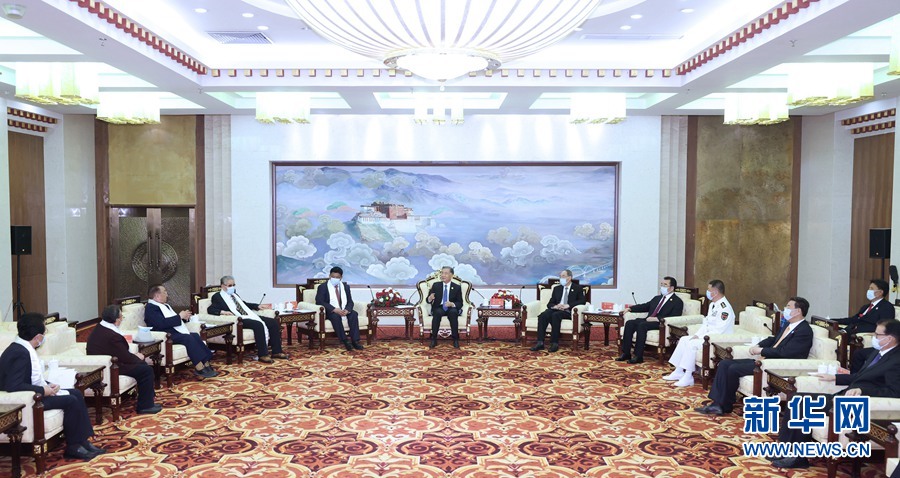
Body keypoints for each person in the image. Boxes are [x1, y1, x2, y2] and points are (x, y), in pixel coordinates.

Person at [772, 319, 900, 469]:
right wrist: (835, 377)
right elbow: (861, 376)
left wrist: (863, 391)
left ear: (889, 338)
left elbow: (894, 391)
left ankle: (797, 457)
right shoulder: (878, 352)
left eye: (877, 335)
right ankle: (785, 450)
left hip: (856, 404)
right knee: (796, 399)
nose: (873, 337)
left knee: (801, 403)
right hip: (843, 396)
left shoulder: (896, 361)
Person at [0, 313, 106, 460]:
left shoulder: (23, 348)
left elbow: (30, 377)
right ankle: (73, 447)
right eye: (44, 333)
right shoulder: (19, 353)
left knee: (75, 393)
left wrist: (49, 384)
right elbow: (14, 385)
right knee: (71, 401)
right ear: (38, 337)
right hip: (29, 400)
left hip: (34, 393)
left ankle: (82, 441)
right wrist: (43, 390)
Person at [696, 297, 814, 416]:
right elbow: (774, 339)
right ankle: (718, 403)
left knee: (733, 369)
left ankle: (724, 404)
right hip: (765, 360)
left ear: (798, 311)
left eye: (788, 307)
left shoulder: (804, 331)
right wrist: (758, 345)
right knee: (724, 363)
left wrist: (762, 350)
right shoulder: (788, 324)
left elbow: (785, 352)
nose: (785, 309)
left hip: (774, 364)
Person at [86, 305, 162, 414]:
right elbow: (125, 357)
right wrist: (138, 357)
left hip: (110, 362)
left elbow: (120, 353)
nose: (122, 319)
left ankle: (148, 400)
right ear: (117, 320)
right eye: (121, 317)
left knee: (143, 365)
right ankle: (145, 406)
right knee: (146, 370)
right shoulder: (112, 336)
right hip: (110, 367)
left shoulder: (101, 327)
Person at [664, 279, 735, 387]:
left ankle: (688, 376)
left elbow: (719, 330)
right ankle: (679, 371)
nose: (707, 292)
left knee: (691, 344)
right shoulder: (713, 305)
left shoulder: (725, 308)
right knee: (684, 339)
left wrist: (700, 337)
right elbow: (706, 324)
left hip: (717, 340)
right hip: (707, 337)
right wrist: (697, 335)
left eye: (709, 290)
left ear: (715, 292)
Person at [207, 275, 287, 363]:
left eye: (233, 285)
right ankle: (263, 354)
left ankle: (276, 352)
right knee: (258, 325)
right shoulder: (217, 296)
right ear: (222, 286)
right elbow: (211, 309)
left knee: (272, 322)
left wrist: (257, 306)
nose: (232, 287)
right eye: (230, 285)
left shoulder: (234, 295)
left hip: (248, 315)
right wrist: (223, 312)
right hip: (238, 319)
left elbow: (244, 304)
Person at [144, 284, 217, 378]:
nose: (167, 294)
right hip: (164, 335)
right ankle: (199, 367)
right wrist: (179, 317)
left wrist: (184, 318)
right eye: (165, 292)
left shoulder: (164, 306)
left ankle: (206, 362)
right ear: (157, 296)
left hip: (172, 331)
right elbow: (161, 324)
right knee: (187, 338)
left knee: (194, 335)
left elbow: (172, 320)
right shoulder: (151, 308)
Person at [616, 276, 684, 364]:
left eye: (665, 285)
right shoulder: (657, 298)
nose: (662, 287)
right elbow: (645, 306)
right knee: (630, 323)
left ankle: (638, 356)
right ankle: (626, 353)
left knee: (642, 325)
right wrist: (630, 308)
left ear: (671, 288)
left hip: (661, 324)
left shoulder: (677, 301)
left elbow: (675, 317)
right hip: (648, 320)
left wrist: (657, 318)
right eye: (661, 284)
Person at [531, 269, 586, 353]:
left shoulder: (577, 288)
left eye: (563, 276)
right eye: (560, 276)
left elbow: (582, 301)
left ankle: (554, 343)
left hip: (568, 311)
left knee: (555, 315)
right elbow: (550, 303)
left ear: (569, 278)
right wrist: (555, 306)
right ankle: (540, 342)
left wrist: (568, 305)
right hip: (557, 309)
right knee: (543, 315)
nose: (561, 278)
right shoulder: (557, 288)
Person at [315, 266, 364, 351]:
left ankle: (355, 341)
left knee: (353, 314)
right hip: (330, 311)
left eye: (337, 277)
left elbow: (350, 301)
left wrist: (347, 310)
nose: (335, 279)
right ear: (329, 276)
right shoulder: (323, 287)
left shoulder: (345, 287)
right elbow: (319, 301)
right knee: (335, 316)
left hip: (344, 310)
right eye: (333, 277)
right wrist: (334, 309)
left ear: (341, 277)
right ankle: (345, 340)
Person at [427, 266, 464, 349]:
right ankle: (434, 339)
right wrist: (430, 298)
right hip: (439, 307)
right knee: (437, 312)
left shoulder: (457, 287)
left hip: (451, 307)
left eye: (446, 273)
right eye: (442, 273)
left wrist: (452, 304)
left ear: (451, 275)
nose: (443, 275)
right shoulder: (436, 285)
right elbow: (427, 300)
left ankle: (455, 339)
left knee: (453, 312)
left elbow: (460, 303)